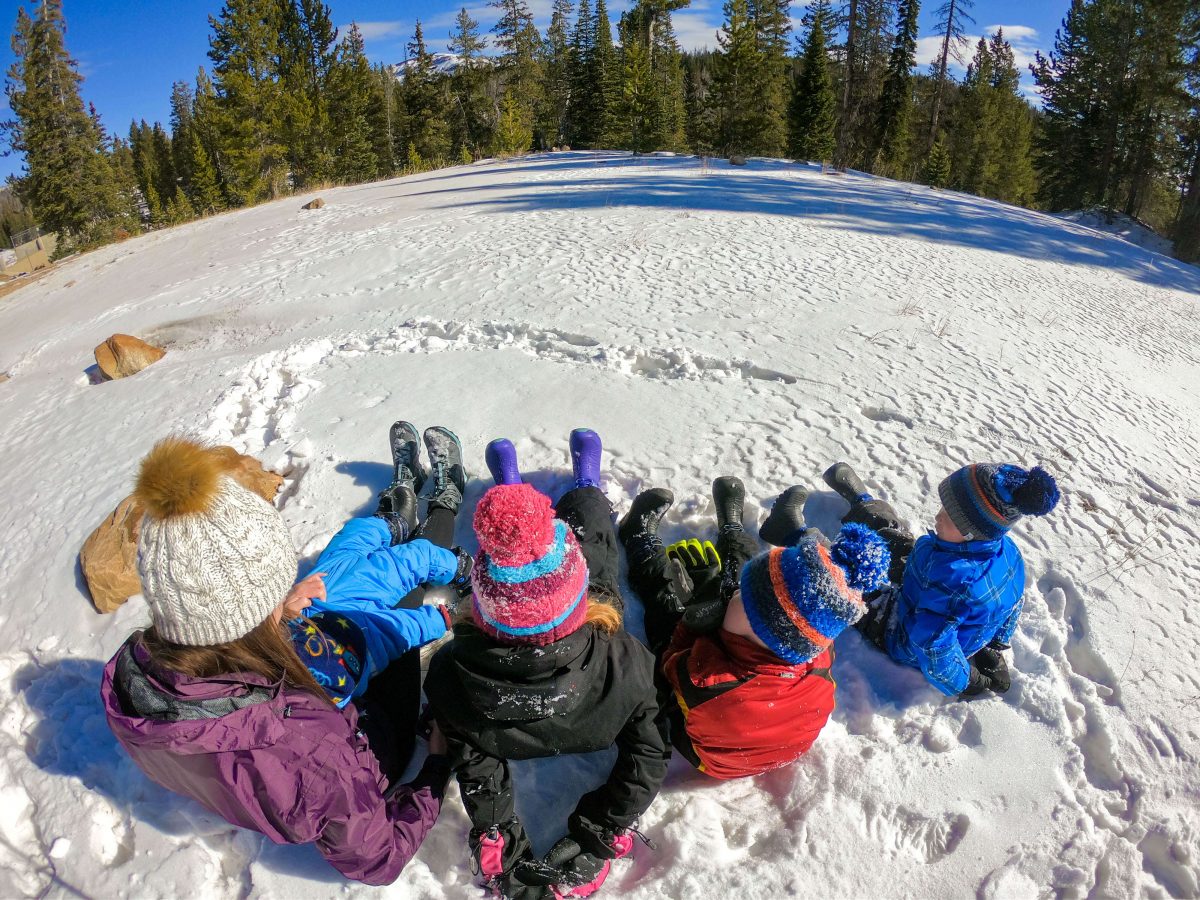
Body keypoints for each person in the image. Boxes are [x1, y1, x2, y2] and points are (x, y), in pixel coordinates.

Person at [101, 435, 457, 885]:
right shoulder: (312, 751)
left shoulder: (131, 678)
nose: (286, 596)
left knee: (346, 588)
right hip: (362, 744)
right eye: (275, 591)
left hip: (272, 743)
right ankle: (441, 511)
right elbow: (376, 858)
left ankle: (398, 520)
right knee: (387, 613)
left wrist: (281, 611)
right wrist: (438, 763)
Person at [424, 429, 668, 900]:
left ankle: (509, 487)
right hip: (589, 684)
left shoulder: (453, 673)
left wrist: (494, 828)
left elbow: (475, 757)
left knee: (521, 556)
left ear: (481, 608)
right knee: (596, 549)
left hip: (505, 707)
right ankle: (586, 488)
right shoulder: (626, 662)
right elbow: (651, 753)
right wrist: (603, 829)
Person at [620, 476, 891, 779]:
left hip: (712, 755)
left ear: (760, 629)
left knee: (666, 607)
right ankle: (733, 530)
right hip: (768, 734)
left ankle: (639, 540)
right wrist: (733, 599)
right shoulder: (815, 649)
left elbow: (673, 658)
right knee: (741, 579)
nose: (736, 594)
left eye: (743, 601)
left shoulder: (704, 676)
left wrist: (691, 618)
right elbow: (761, 604)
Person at [821, 460, 1060, 699]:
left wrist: (967, 681)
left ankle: (812, 549)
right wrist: (997, 642)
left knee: (852, 586)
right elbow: (1014, 603)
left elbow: (932, 647)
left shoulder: (956, 589)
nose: (938, 516)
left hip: (902, 635)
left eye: (949, 516)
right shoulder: (1006, 551)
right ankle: (864, 504)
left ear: (971, 532)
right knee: (898, 539)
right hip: (923, 577)